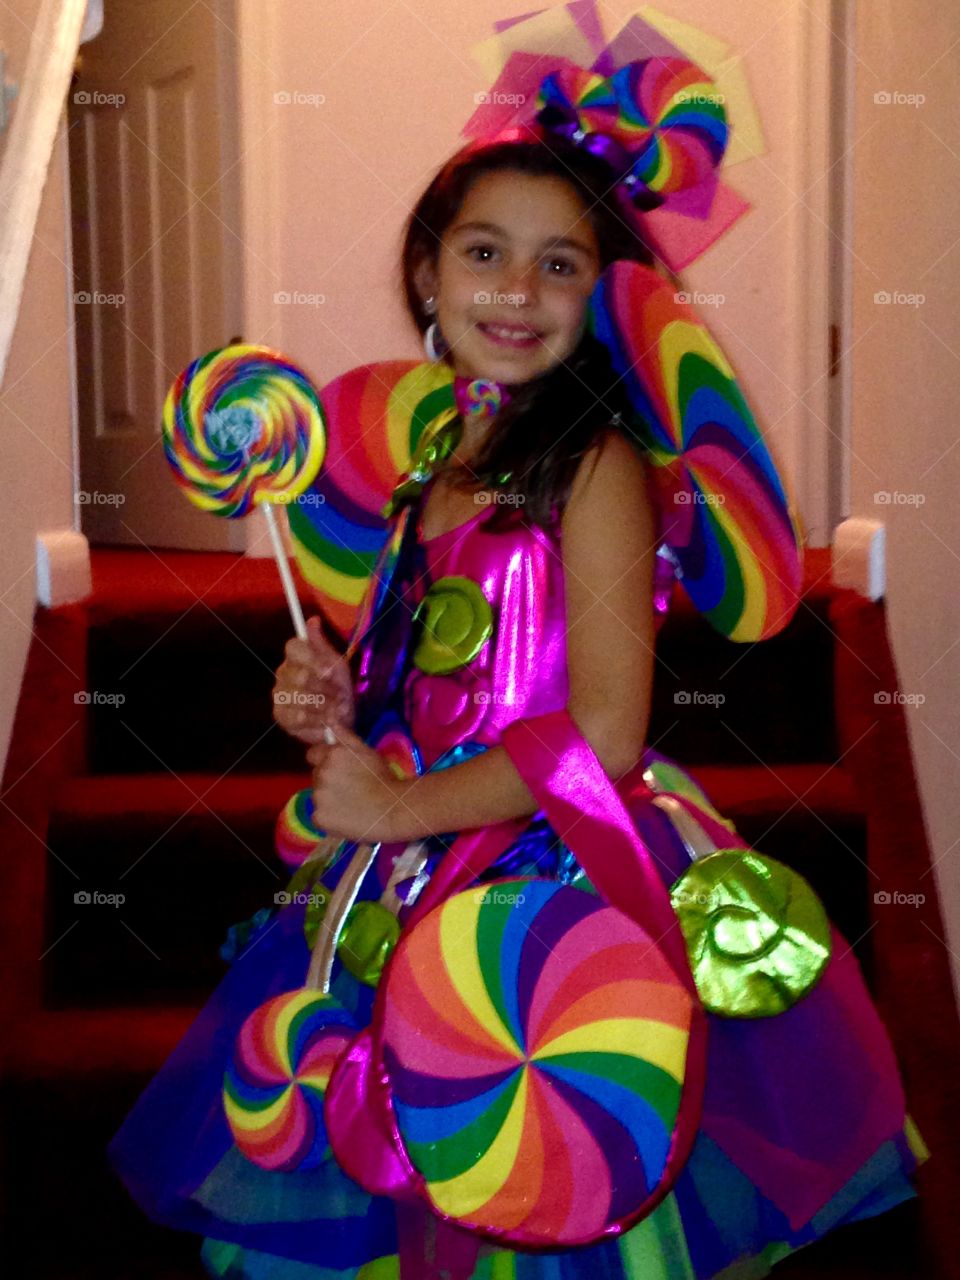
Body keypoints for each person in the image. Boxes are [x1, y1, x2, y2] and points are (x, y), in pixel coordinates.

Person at [108, 58, 926, 1280]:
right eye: (486, 252)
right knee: (414, 1150)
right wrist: (332, 700)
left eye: (562, 262)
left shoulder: (594, 466)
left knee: (542, 1166)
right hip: (405, 863)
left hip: (558, 872)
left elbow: (598, 731)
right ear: (427, 275)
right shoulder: (424, 464)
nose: (520, 289)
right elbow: (420, 682)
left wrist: (399, 804)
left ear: (606, 295)